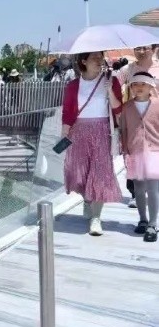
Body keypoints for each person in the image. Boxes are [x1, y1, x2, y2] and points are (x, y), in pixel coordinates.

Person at [61, 51, 123, 236]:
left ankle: (96, 218)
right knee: (76, 173)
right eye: (94, 57)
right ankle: (87, 199)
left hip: (102, 131)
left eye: (100, 57)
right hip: (78, 132)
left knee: (99, 174)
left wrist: (110, 90)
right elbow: (67, 111)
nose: (99, 60)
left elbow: (118, 108)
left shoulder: (111, 80)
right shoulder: (73, 85)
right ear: (84, 61)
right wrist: (64, 132)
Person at [119, 72, 159, 243]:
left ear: (151, 87)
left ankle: (153, 223)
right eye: (135, 84)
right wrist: (124, 150)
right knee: (139, 188)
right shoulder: (127, 107)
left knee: (153, 188)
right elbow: (123, 130)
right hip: (134, 150)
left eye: (143, 84)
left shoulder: (157, 105)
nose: (139, 87)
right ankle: (142, 219)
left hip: (155, 150)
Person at [118, 44, 159, 209]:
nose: (141, 52)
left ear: (154, 49)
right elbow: (115, 85)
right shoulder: (128, 69)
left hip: (155, 119)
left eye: (145, 48)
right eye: (137, 48)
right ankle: (135, 193)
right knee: (134, 156)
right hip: (134, 117)